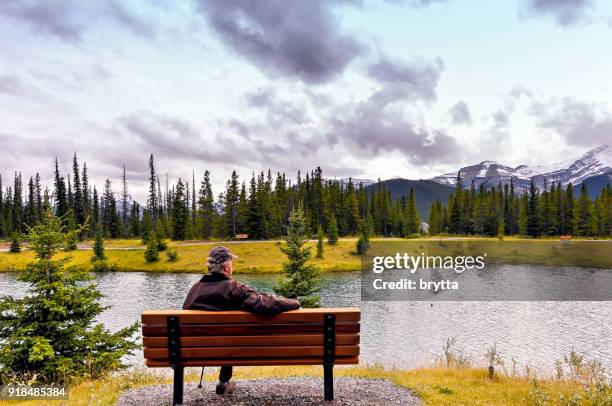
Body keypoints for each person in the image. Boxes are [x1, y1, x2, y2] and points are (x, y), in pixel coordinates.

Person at [182, 246, 300, 395]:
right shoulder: (234, 288)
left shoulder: (195, 289)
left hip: (197, 348)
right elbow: (264, 303)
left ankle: (222, 382)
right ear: (226, 267)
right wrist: (295, 302)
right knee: (227, 337)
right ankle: (223, 382)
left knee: (225, 336)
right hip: (230, 346)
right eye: (231, 263)